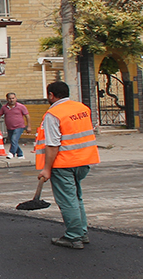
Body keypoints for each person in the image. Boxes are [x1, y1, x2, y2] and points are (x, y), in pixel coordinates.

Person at [36, 80, 99, 249]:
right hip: (84, 161)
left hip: (64, 163)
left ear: (51, 95)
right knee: (76, 198)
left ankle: (73, 236)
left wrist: (47, 169)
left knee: (68, 200)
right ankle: (82, 232)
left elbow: (52, 144)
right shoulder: (82, 108)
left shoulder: (53, 114)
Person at [0, 92, 30, 158]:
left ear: (16, 98)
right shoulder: (4, 107)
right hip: (9, 127)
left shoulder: (21, 107)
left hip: (19, 126)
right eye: (10, 98)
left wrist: (29, 126)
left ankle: (11, 153)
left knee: (14, 139)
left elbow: (27, 116)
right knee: (13, 141)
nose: (12, 100)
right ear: (7, 99)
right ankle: (20, 154)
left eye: (13, 98)